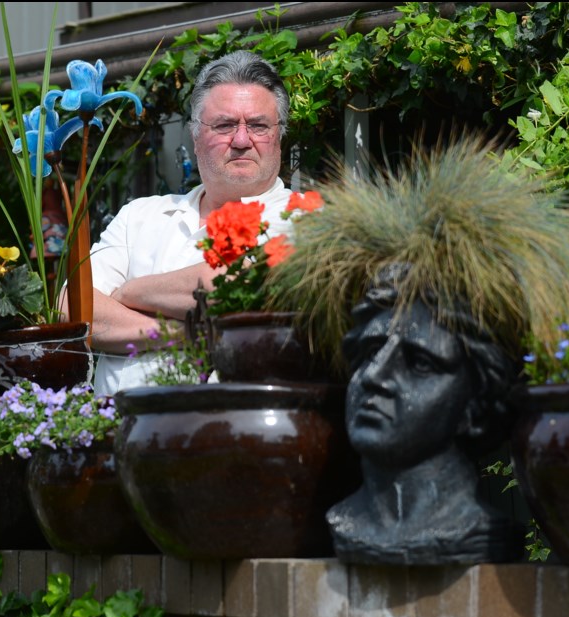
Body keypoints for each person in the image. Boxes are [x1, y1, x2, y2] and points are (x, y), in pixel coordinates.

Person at [83, 50, 295, 396]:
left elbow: (231, 285)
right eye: (225, 125)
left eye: (258, 126)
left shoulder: (302, 217)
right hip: (111, 436)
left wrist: (128, 293)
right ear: (195, 137)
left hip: (226, 434)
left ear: (279, 136)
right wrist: (187, 334)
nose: (242, 140)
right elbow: (74, 307)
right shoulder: (139, 215)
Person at [325, 265, 525, 565]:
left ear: (475, 407)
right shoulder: (342, 521)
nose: (374, 376)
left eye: (419, 363)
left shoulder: (477, 532)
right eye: (370, 353)